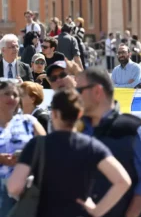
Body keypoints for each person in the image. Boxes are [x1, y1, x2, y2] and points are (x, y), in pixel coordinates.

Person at [7, 88, 132, 217]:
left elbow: (14, 187)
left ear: (54, 114)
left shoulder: (37, 145)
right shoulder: (92, 146)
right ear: (80, 114)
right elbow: (123, 181)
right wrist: (97, 211)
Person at [76, 67, 141, 217]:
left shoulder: (133, 129)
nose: (75, 97)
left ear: (97, 92)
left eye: (79, 91)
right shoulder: (78, 129)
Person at [0, 81, 46, 216]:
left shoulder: (29, 121)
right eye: (6, 94)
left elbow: (46, 147)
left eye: (15, 94)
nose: (11, 98)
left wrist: (26, 156)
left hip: (27, 186)